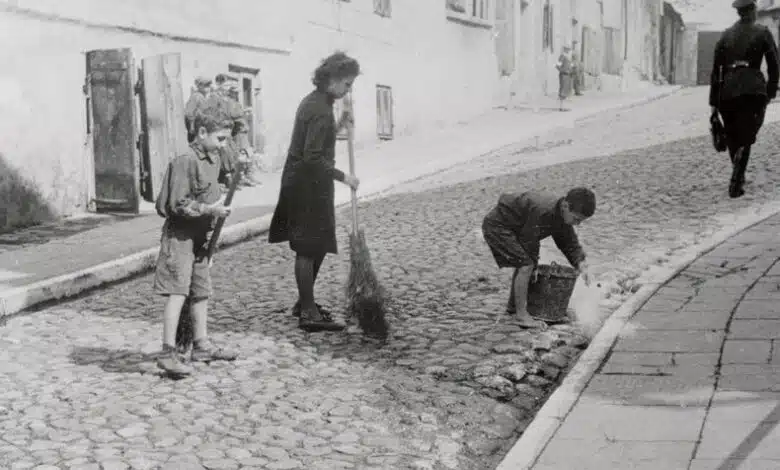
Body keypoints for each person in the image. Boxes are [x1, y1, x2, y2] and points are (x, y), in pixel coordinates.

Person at [268, 52, 361, 332]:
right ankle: (308, 312)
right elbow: (312, 156)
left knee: (316, 243)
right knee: (308, 247)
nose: (348, 90)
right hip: (305, 187)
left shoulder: (317, 102)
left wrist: (341, 124)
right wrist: (344, 177)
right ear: (331, 80)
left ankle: (304, 302)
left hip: (308, 184)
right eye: (347, 84)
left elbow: (320, 140)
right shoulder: (319, 109)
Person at [153, 112, 239, 377]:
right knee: (178, 292)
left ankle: (200, 345)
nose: (224, 144)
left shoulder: (211, 159)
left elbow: (217, 183)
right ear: (201, 133)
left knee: (201, 290)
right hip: (180, 237)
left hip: (200, 239)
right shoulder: (185, 161)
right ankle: (168, 352)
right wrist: (209, 210)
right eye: (220, 138)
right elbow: (175, 205)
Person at [481, 188, 595, 329]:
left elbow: (568, 241)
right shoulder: (543, 211)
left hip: (517, 227)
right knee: (526, 265)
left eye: (581, 221)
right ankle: (522, 316)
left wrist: (581, 263)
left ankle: (514, 308)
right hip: (497, 226)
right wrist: (533, 265)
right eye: (576, 219)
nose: (577, 224)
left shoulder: (561, 213)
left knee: (525, 262)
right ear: (565, 205)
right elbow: (529, 240)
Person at [710, 0, 778, 198]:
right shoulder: (762, 32)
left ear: (738, 12)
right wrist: (771, 89)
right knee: (748, 133)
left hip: (727, 91)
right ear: (754, 11)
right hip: (753, 89)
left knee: (732, 135)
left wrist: (714, 103)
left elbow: (716, 71)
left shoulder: (725, 35)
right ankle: (736, 179)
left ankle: (738, 170)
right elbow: (774, 63)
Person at [184, 76, 213, 142]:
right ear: (199, 86)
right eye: (205, 85)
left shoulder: (204, 97)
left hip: (203, 127)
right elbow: (189, 112)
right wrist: (192, 127)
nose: (207, 87)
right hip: (197, 127)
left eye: (208, 85)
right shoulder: (196, 96)